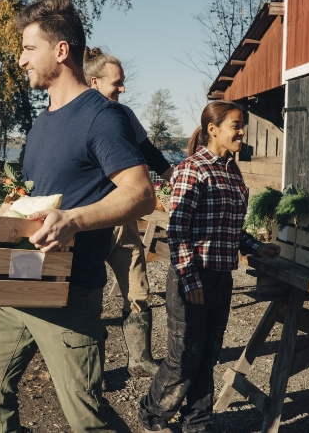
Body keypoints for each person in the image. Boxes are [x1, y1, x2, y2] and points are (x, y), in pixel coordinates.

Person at [0, 0, 155, 433]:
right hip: (16, 283)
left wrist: (73, 219)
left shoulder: (102, 118)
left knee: (86, 418)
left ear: (60, 51)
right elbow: (36, 198)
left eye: (28, 49)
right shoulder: (42, 122)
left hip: (68, 295)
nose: (21, 61)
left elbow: (142, 194)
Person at [138, 101, 280, 433]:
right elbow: (178, 229)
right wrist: (189, 279)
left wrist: (260, 247)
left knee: (209, 355)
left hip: (220, 279)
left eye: (242, 125)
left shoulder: (231, 170)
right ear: (213, 129)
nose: (242, 131)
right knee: (183, 358)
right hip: (193, 277)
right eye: (236, 125)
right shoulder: (192, 169)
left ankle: (197, 423)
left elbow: (230, 229)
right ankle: (151, 415)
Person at [83, 47, 172, 377]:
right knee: (85, 295)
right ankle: (89, 371)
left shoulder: (124, 116)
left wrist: (174, 181)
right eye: (116, 83)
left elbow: (149, 152)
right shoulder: (76, 116)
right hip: (87, 220)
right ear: (94, 81)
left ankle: (140, 359)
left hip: (123, 220)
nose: (122, 89)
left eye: (123, 83)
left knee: (137, 289)